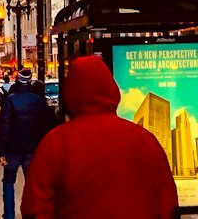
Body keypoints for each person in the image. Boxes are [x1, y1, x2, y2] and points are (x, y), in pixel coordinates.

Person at [20, 56, 179, 219]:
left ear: (71, 92)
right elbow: (167, 201)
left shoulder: (56, 143)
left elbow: (35, 206)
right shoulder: (144, 139)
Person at [0, 69, 52, 219]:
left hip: (13, 148)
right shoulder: (39, 101)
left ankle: (9, 214)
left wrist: (1, 150)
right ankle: (31, 211)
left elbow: (4, 127)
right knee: (31, 182)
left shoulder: (9, 100)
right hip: (32, 148)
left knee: (8, 181)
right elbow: (45, 126)